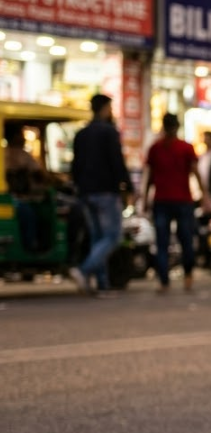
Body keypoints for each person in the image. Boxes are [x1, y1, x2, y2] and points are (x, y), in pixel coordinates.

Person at [70, 94, 133, 296]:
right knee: (112, 237)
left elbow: (75, 166)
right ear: (105, 109)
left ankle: (102, 283)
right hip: (105, 192)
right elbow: (117, 161)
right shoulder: (108, 132)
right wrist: (127, 186)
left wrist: (79, 188)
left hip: (86, 192)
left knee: (98, 238)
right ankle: (83, 270)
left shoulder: (81, 134)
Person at [144, 113, 208, 293]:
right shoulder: (185, 147)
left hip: (162, 200)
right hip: (182, 200)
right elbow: (195, 172)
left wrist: (145, 198)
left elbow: (150, 177)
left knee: (162, 242)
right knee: (186, 239)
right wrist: (204, 195)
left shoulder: (156, 148)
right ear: (177, 127)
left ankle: (164, 281)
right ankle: (188, 275)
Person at [4, 122, 49, 253]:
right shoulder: (22, 155)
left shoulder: (3, 153)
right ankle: (31, 245)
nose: (24, 138)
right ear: (15, 136)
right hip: (16, 198)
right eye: (21, 134)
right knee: (31, 214)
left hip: (11, 197)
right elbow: (40, 175)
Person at [195, 130, 211, 268]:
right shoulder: (202, 157)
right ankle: (204, 256)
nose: (205, 141)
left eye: (207, 138)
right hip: (202, 196)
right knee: (203, 228)